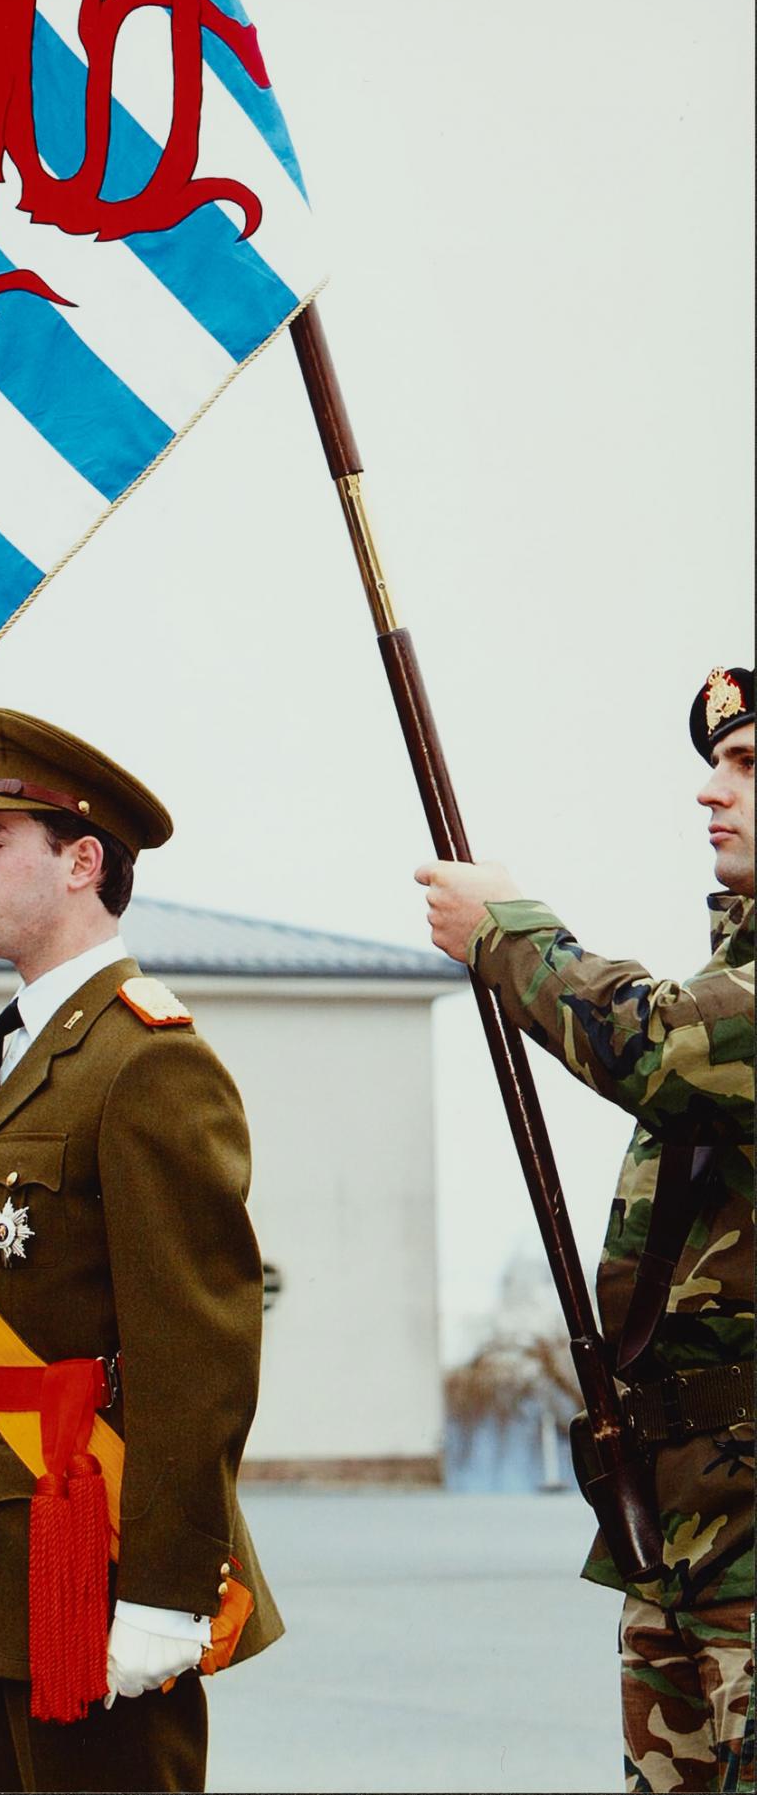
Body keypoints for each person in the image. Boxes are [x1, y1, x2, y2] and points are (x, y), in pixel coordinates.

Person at [0, 707, 282, 1794]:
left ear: (82, 863)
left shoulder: (144, 1061)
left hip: (102, 1551)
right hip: (10, 1543)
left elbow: (198, 1348)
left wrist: (167, 1593)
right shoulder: (29, 1047)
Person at [416, 666, 754, 1794]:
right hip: (689, 1522)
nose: (712, 793)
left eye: (746, 767)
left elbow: (657, 1048)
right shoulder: (730, 971)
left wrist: (504, 934)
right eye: (712, 766)